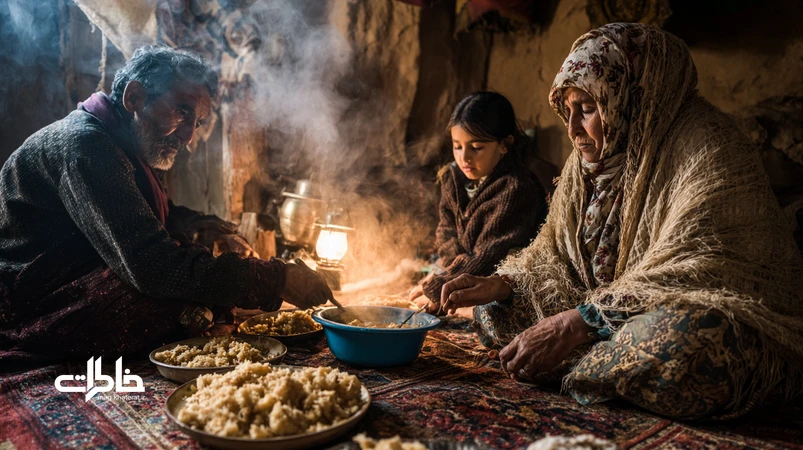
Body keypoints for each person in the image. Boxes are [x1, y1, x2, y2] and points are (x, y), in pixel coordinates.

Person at [440, 23, 803, 420]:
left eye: (589, 109)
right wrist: (503, 284)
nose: (573, 128)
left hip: (713, 318)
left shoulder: (708, 147)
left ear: (631, 98)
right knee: (493, 310)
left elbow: (698, 271)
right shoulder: (589, 163)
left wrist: (579, 322)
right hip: (608, 322)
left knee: (688, 346)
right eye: (568, 110)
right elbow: (553, 253)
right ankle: (602, 365)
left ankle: (580, 363)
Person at [0, 46, 332, 363]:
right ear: (134, 98)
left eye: (198, 121)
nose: (188, 135)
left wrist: (196, 223)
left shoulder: (118, 138)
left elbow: (136, 215)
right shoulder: (87, 146)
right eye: (182, 111)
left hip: (78, 272)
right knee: (166, 291)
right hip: (29, 300)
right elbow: (151, 265)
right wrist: (274, 279)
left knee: (195, 273)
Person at [408, 91, 546, 315]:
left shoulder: (516, 189)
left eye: (476, 147)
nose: (464, 158)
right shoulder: (453, 178)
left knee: (482, 312)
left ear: (505, 144)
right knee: (416, 291)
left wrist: (439, 287)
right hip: (462, 269)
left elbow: (489, 256)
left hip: (495, 278)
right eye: (457, 146)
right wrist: (448, 274)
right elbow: (446, 231)